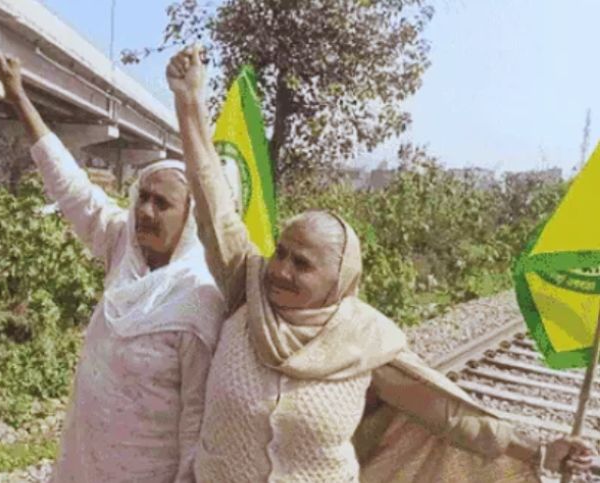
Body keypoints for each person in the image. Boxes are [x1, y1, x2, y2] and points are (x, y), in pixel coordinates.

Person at [166, 45, 595, 482]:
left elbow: (448, 415)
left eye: (302, 264)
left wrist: (538, 448)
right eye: (281, 252)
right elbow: (213, 203)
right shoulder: (247, 285)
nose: (280, 269)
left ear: (339, 281)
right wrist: (191, 103)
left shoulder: (364, 339)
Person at [0, 49, 225, 482]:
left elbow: (197, 418)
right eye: (143, 198)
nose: (147, 211)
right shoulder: (124, 247)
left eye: (163, 203)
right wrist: (18, 97)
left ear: (190, 216)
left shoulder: (198, 295)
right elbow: (71, 187)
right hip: (87, 460)